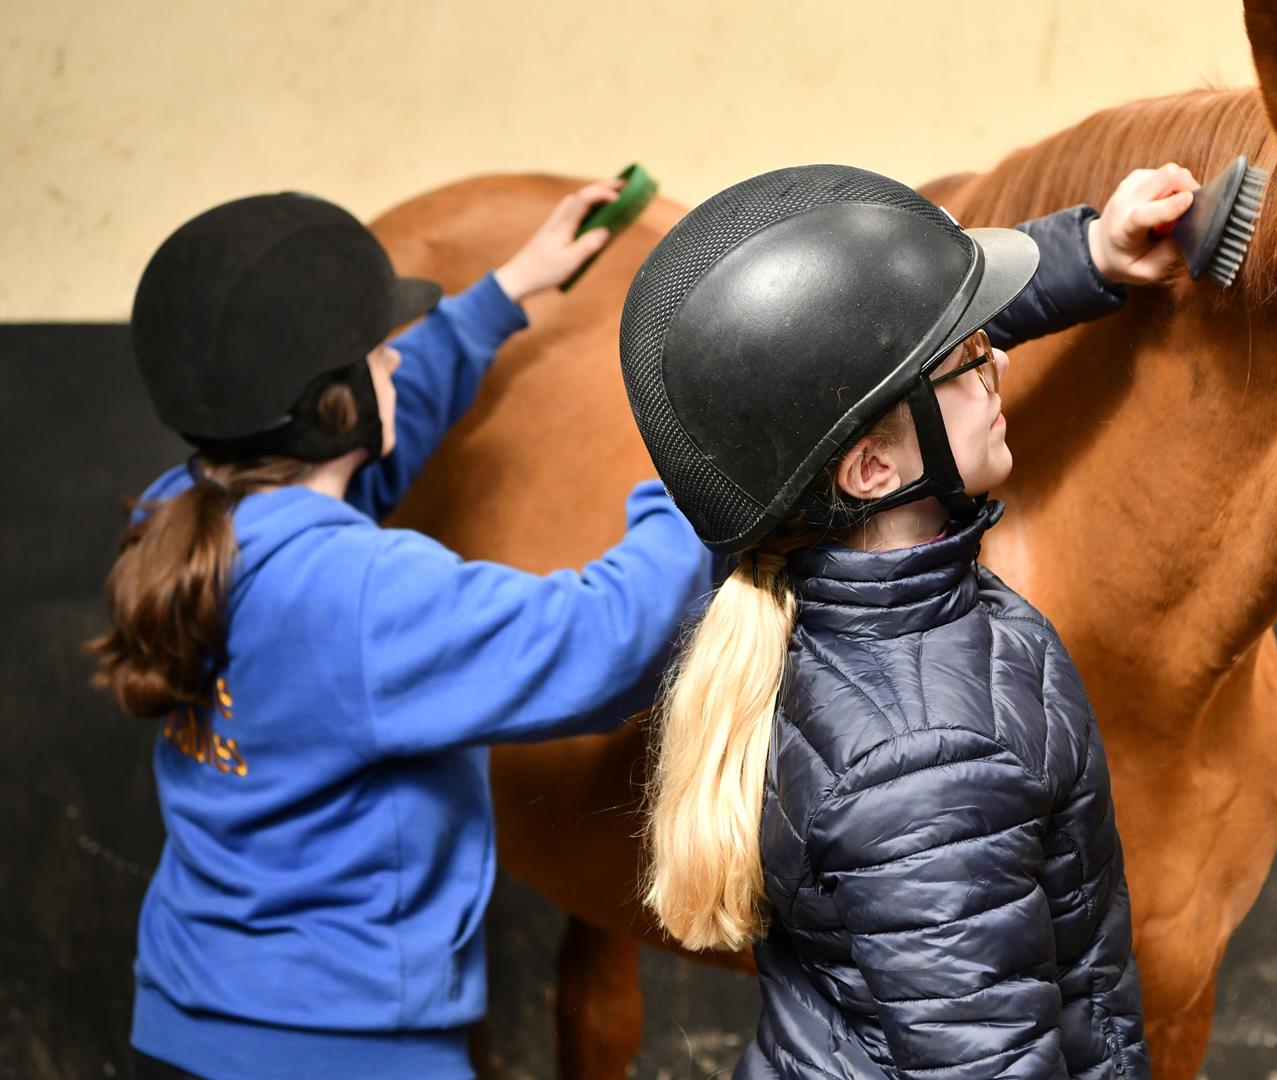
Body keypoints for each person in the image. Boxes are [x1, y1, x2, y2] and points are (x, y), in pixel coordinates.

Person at [91, 183, 712, 1079]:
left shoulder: (182, 516)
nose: (397, 367)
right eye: (382, 354)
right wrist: (688, 463)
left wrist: (508, 291)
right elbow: (607, 643)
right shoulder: (362, 595)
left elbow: (388, 416)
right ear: (334, 407)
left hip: (200, 1011)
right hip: (347, 1048)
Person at [624, 162, 1199, 1077]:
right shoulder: (928, 758)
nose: (1000, 361)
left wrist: (1090, 252)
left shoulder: (800, 578)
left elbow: (865, 354)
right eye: (972, 363)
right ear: (871, 469)